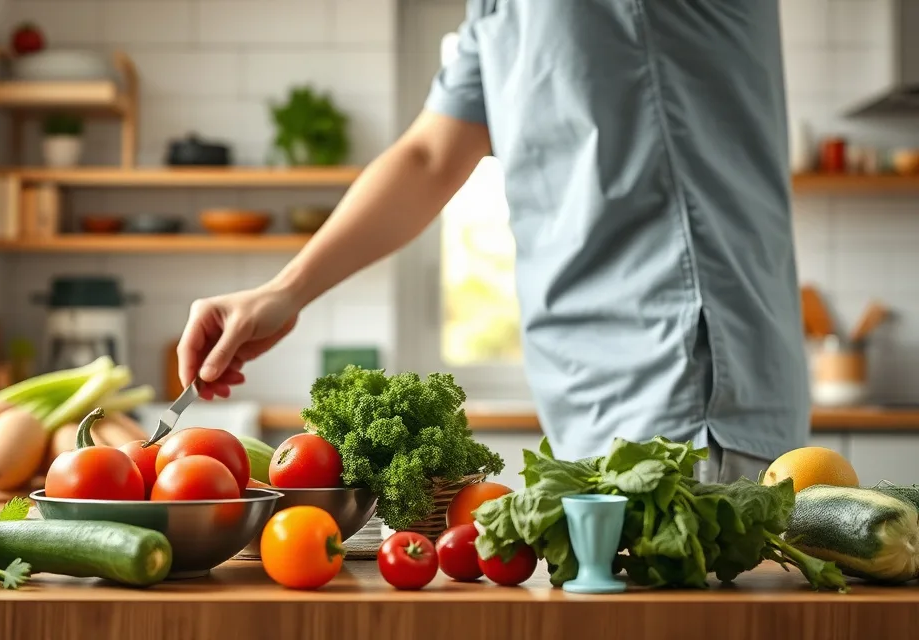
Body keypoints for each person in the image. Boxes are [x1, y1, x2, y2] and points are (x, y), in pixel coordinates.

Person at [176, 0, 807, 483]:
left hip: (686, 394)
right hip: (581, 396)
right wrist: (284, 291)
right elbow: (429, 157)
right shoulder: (495, 11)